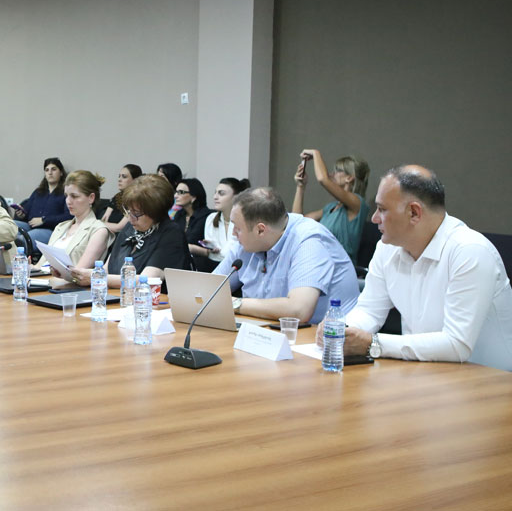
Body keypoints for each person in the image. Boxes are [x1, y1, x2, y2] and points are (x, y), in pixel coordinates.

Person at [319, 166, 512, 371]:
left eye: (382, 209)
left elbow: (457, 344)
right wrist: (342, 330)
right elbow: (369, 311)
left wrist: (373, 344)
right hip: (424, 370)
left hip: (491, 379)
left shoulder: (470, 251)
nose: (374, 218)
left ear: (414, 212)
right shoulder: (387, 248)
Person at [214, 187, 360, 324]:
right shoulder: (245, 244)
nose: (233, 234)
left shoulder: (309, 241)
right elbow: (209, 290)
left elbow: (299, 310)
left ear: (260, 230)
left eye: (238, 228)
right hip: (268, 329)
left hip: (328, 336)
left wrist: (236, 303)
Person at [70, 175, 192, 288]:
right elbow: (107, 269)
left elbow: (146, 280)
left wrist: (96, 278)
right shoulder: (131, 228)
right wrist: (78, 274)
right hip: (117, 297)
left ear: (155, 212)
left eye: (136, 213)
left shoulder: (171, 233)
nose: (130, 218)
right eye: (128, 211)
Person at [292, 149, 371, 264]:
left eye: (337, 171)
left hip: (340, 268)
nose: (331, 174)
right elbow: (297, 222)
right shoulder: (331, 208)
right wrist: (300, 186)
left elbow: (323, 179)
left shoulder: (358, 203)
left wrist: (315, 153)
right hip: (321, 264)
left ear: (349, 178)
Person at [39, 170, 112, 277]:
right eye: (66, 195)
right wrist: (30, 268)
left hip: (68, 284)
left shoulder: (99, 230)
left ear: (91, 198)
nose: (68, 201)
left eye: (74, 196)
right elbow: (40, 265)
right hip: (44, 279)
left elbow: (78, 273)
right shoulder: (61, 227)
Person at [12, 157, 71, 245]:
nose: (50, 173)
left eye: (53, 169)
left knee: (23, 240)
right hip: (30, 226)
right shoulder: (38, 192)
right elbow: (27, 212)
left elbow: (68, 217)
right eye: (47, 170)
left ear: (61, 173)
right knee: (7, 226)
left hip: (50, 230)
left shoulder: (66, 193)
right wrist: (22, 214)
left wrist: (44, 220)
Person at [199, 177, 251, 273]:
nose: (215, 197)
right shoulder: (211, 218)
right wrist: (211, 247)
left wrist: (218, 251)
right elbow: (213, 252)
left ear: (236, 197)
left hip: (236, 267)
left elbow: (233, 251)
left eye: (221, 193)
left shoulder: (243, 221)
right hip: (212, 265)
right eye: (215, 192)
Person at [173, 178, 214, 272]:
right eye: (176, 192)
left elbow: (210, 248)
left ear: (193, 197)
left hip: (202, 265)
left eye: (181, 192)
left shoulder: (207, 216)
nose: (175, 196)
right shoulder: (179, 215)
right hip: (180, 262)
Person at [101, 163, 142, 234]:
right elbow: (104, 220)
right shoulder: (117, 197)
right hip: (107, 233)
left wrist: (96, 224)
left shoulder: (136, 200)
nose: (119, 179)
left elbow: (119, 227)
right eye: (119, 176)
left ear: (135, 180)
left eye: (124, 177)